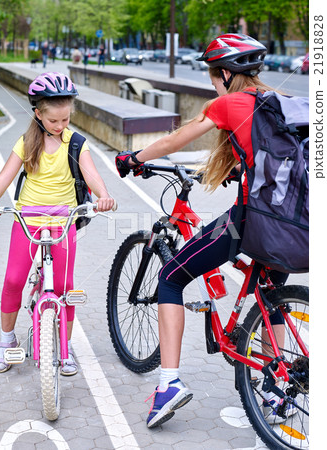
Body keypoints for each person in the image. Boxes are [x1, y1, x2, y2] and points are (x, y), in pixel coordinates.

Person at [115, 34, 294, 428]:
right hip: (294, 225)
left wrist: (133, 158)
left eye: (214, 76)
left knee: (170, 277)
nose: (213, 83)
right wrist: (241, 169)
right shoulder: (278, 103)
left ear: (226, 74)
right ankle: (274, 390)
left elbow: (174, 139)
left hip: (253, 222)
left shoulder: (229, 102)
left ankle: (168, 386)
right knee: (270, 297)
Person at [0, 72, 115, 376]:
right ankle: (6, 341)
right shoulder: (27, 142)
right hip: (28, 219)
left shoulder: (76, 143)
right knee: (14, 280)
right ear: (38, 114)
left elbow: (90, 174)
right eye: (54, 121)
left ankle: (64, 349)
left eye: (66, 120)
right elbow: (5, 176)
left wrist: (104, 195)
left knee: (65, 286)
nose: (60, 126)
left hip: (63, 221)